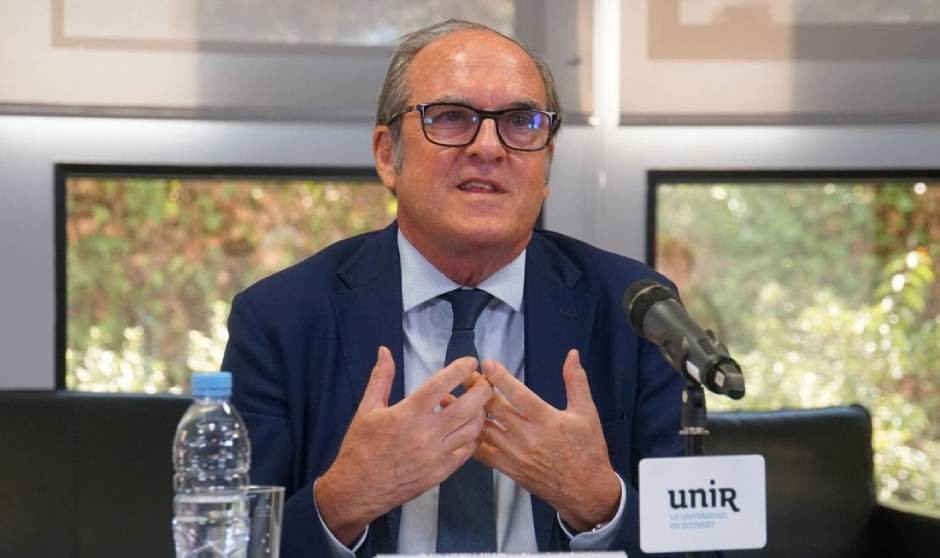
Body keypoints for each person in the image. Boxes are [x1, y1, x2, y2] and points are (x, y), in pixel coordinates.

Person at [223, 19, 685, 557]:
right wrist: (341, 501)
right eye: (450, 117)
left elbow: (702, 545)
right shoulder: (280, 319)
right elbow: (225, 544)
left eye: (520, 122)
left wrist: (601, 503)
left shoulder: (636, 311)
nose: (488, 147)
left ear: (547, 163)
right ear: (387, 154)